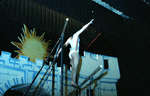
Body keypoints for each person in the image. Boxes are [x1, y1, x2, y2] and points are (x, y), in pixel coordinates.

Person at [57, 19, 94, 86]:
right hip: (75, 53)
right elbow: (83, 29)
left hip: (70, 54)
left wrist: (58, 52)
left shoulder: (69, 38)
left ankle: (72, 79)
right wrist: (89, 23)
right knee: (75, 67)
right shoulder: (76, 34)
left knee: (74, 67)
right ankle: (73, 81)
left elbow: (64, 46)